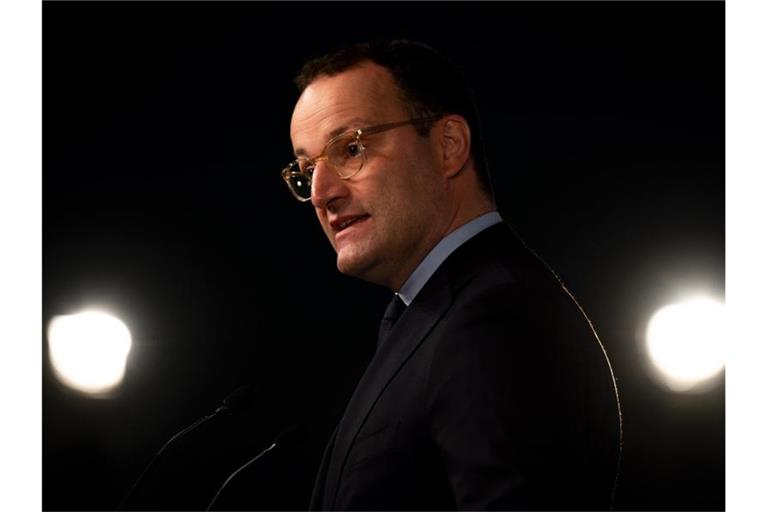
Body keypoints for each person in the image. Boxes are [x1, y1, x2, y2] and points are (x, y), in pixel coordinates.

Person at [281, 39, 622, 511]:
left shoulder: (497, 319)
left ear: (448, 147)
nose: (321, 193)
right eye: (306, 169)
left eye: (351, 148)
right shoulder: (435, 314)